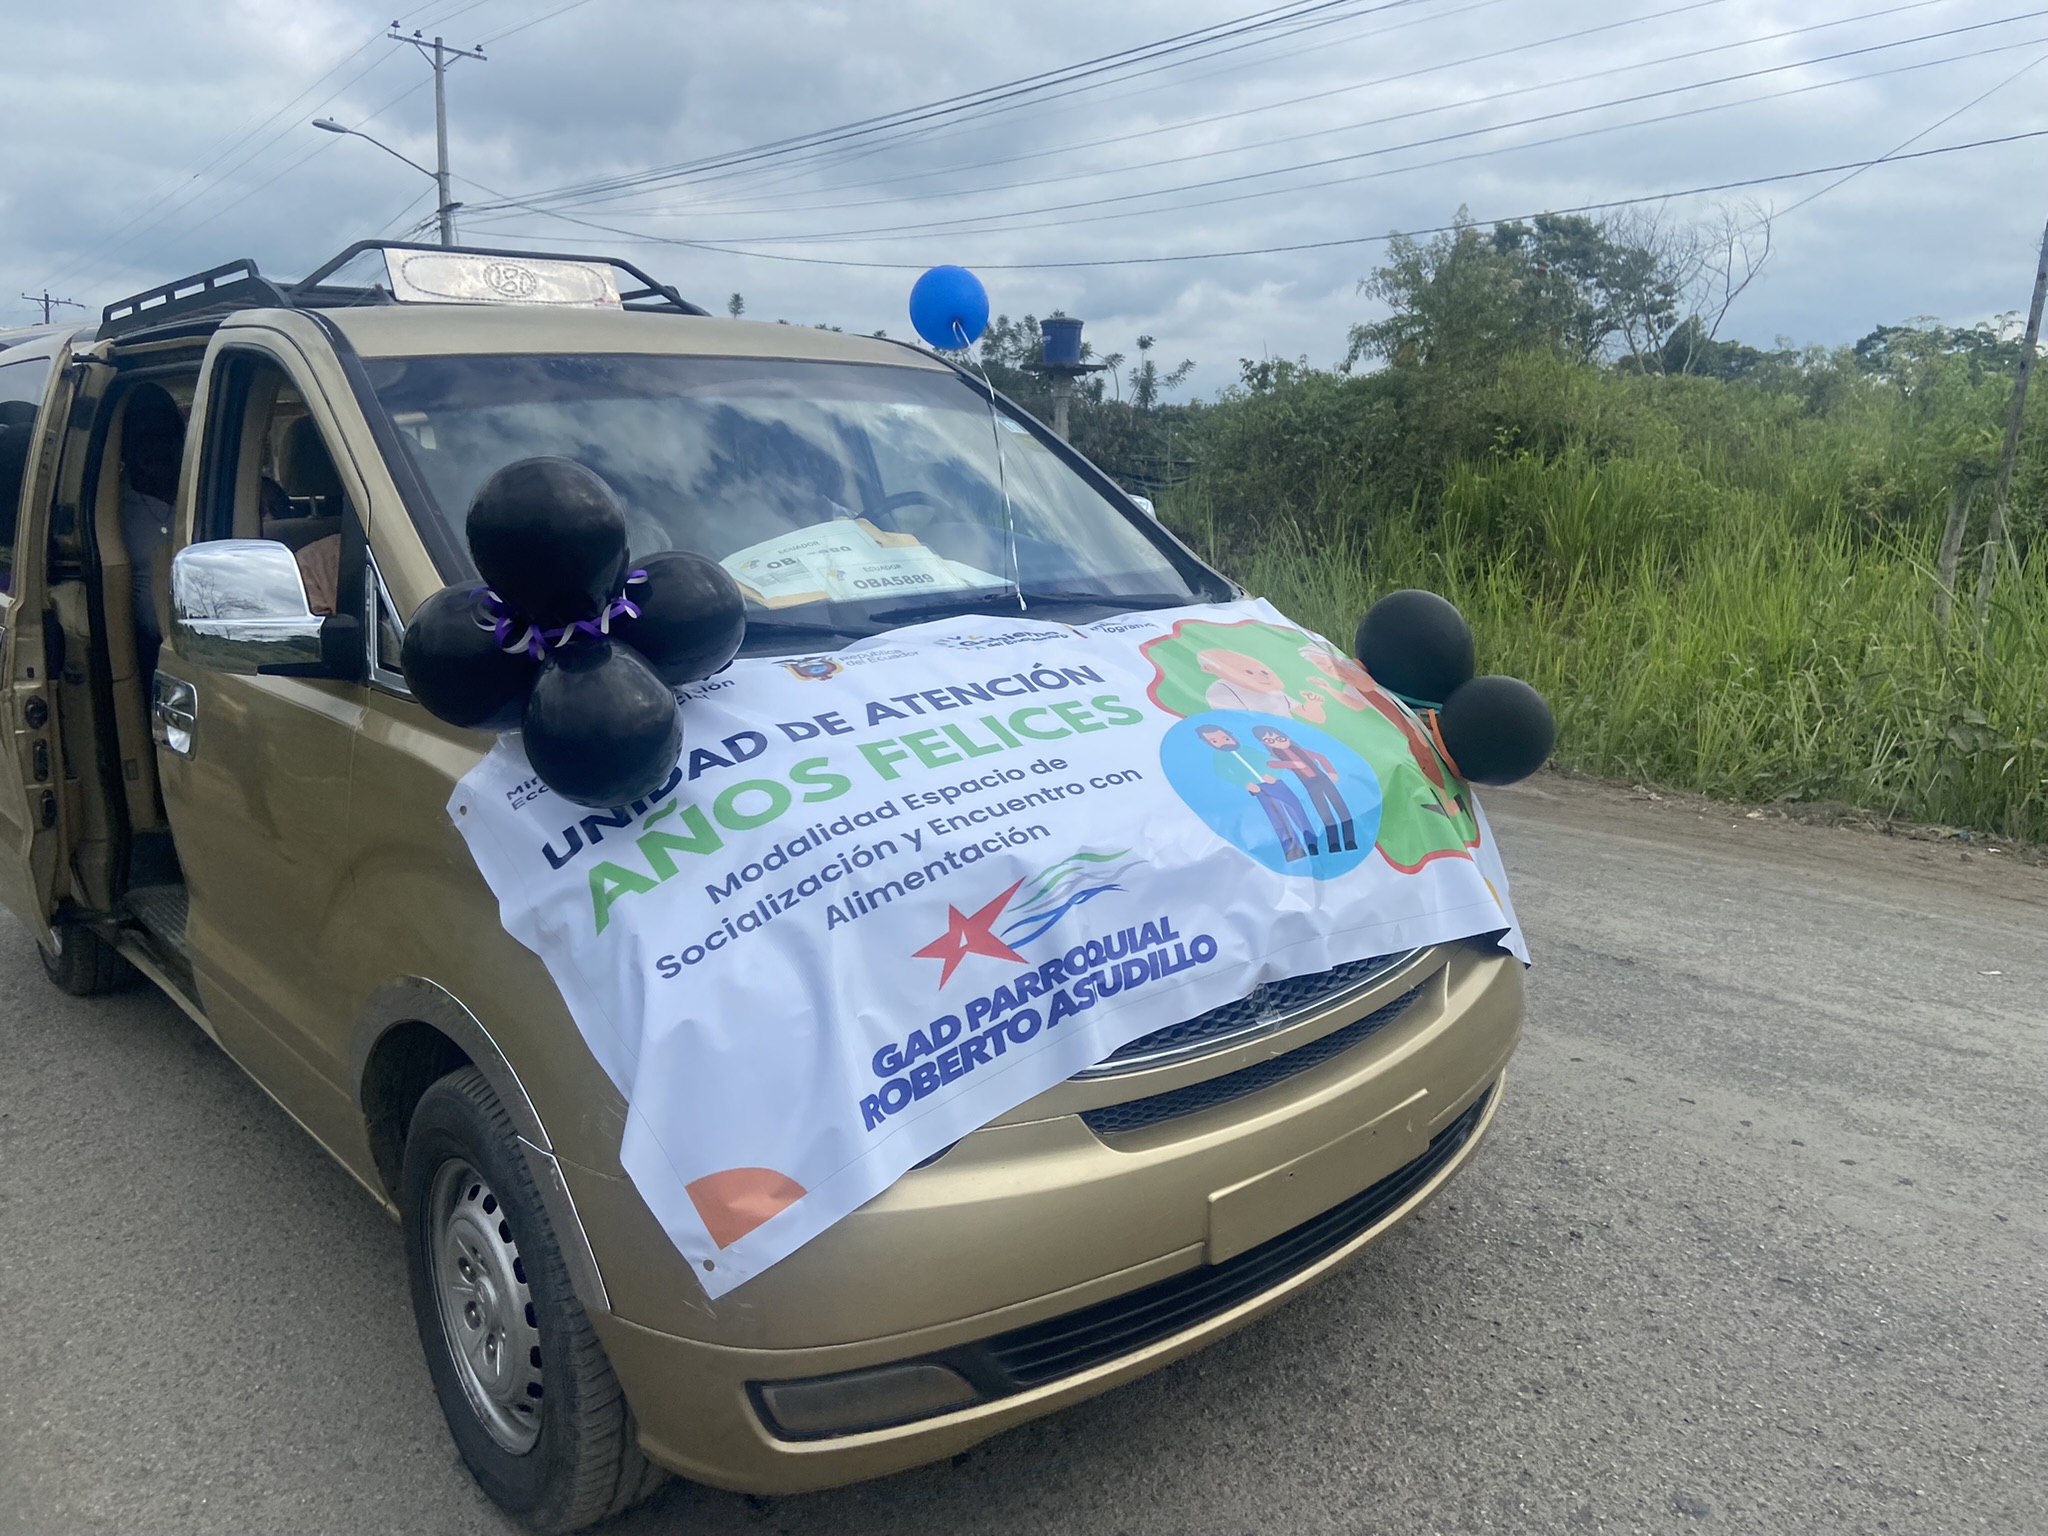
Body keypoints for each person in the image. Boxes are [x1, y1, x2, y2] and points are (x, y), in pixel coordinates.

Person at [118, 385, 184, 675]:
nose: (156, 447)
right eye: (144, 437)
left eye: (164, 435)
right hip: (142, 656)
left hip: (211, 653)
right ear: (124, 445)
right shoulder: (106, 507)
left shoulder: (207, 493)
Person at [1199, 721, 1316, 861]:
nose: (1223, 742)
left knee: (1296, 808)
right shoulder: (1220, 757)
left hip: (1275, 783)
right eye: (1214, 741)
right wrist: (1245, 783)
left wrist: (1273, 775)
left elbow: (1269, 761)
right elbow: (1223, 773)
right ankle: (1293, 849)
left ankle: (1312, 841)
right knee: (1277, 817)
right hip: (1259, 788)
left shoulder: (1246, 750)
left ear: (1232, 737)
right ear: (1208, 743)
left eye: (1226, 738)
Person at [1255, 724, 1357, 852]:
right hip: (1309, 784)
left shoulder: (1299, 749)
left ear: (1286, 737)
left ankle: (1350, 841)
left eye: (1279, 738)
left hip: (1323, 778)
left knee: (1341, 809)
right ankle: (1334, 844)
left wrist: (1331, 771)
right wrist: (1293, 764)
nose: (1276, 742)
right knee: (1324, 813)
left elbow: (1320, 757)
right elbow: (1271, 764)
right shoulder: (1275, 754)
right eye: (1270, 741)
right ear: (1265, 743)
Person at [1197, 648, 1326, 723]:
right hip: (1266, 739)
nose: (1262, 676)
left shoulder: (1271, 690)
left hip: (1289, 736)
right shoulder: (1222, 689)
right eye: (1249, 672)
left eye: (1263, 672)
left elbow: (1313, 717)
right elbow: (1237, 720)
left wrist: (1313, 703)